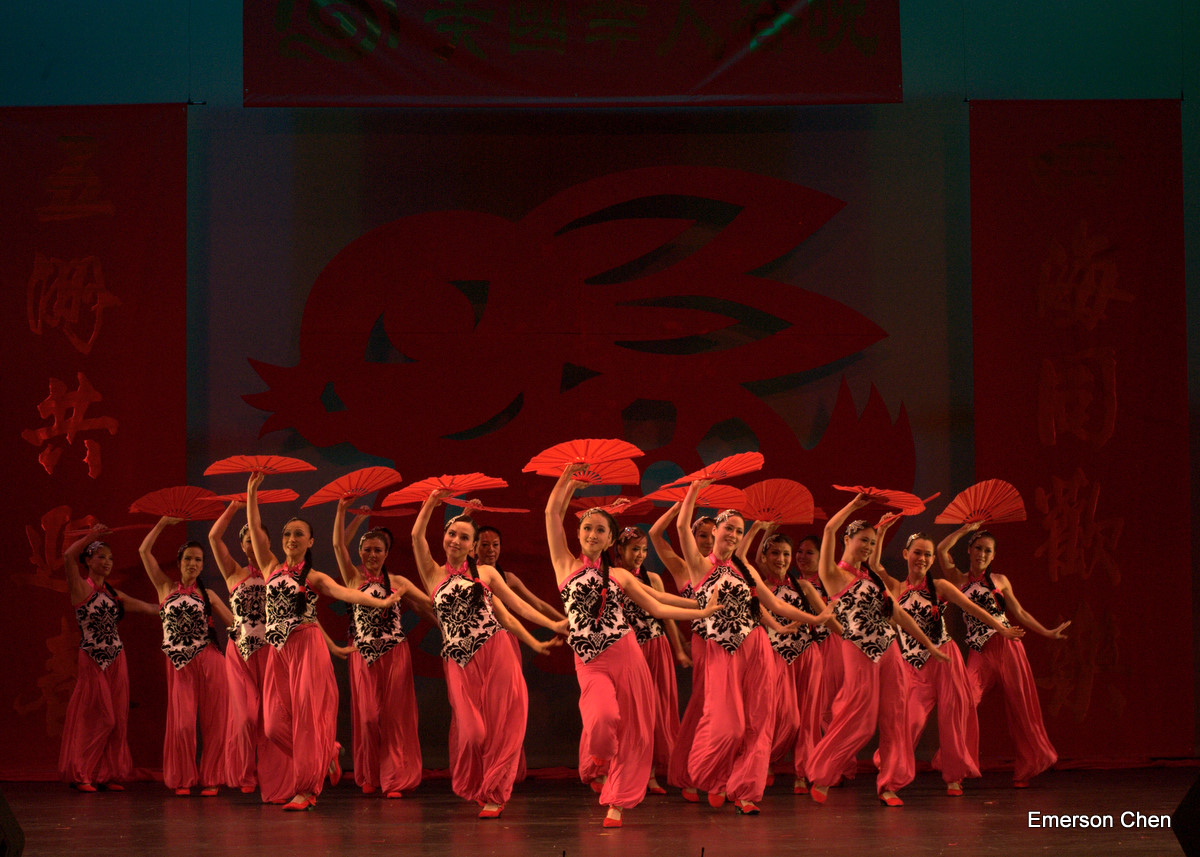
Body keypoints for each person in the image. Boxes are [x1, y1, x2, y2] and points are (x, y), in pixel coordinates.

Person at [547, 465, 721, 827]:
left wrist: (701, 609)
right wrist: (568, 480)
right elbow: (552, 513)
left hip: (626, 654)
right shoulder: (564, 564)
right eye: (587, 528)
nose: (592, 534)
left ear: (610, 540)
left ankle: (617, 802)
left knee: (635, 729)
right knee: (602, 718)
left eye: (600, 530)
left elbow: (658, 605)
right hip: (590, 660)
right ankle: (601, 758)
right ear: (577, 533)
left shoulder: (620, 576)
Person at [246, 471, 403, 811]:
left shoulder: (314, 576)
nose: (291, 538)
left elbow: (346, 593)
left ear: (310, 542)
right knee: (272, 726)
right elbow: (256, 530)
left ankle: (306, 790)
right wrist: (251, 493)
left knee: (305, 720)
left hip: (306, 647)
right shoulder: (270, 566)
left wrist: (380, 602)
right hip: (278, 651)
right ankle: (326, 751)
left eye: (298, 534)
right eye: (287, 534)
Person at [675, 479, 832, 815]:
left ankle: (746, 791)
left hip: (757, 645)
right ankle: (713, 777)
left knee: (760, 723)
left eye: (738, 530)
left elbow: (774, 604)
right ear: (715, 530)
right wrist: (694, 490)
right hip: (721, 649)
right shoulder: (701, 565)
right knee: (727, 725)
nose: (733, 535)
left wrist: (815, 618)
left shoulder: (745, 570)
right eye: (728, 529)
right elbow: (680, 526)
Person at [411, 489, 566, 819]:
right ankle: (476, 781)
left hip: (495, 650)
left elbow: (515, 609)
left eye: (464, 537)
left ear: (472, 546)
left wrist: (548, 628)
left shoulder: (486, 573)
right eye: (452, 534)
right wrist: (431, 503)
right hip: (457, 659)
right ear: (444, 538)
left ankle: (495, 792)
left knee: (501, 725)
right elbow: (415, 536)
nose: (456, 540)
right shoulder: (432, 573)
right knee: (472, 732)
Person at [806, 494, 948, 807]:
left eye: (872, 543)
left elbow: (898, 613)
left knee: (896, 716)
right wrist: (853, 506)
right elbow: (828, 530)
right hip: (858, 649)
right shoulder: (833, 574)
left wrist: (928, 644)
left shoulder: (871, 578)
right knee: (860, 718)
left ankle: (890, 784)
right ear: (848, 539)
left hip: (889, 648)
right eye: (864, 540)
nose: (868, 547)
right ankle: (823, 774)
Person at [868, 524, 1024, 796]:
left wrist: (1001, 629)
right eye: (917, 553)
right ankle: (891, 777)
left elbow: (973, 608)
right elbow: (873, 565)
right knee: (909, 720)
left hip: (946, 659)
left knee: (953, 719)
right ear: (906, 554)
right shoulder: (894, 586)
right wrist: (880, 533)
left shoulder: (940, 586)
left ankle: (955, 776)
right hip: (913, 665)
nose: (923, 558)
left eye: (928, 554)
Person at [937, 523, 1069, 787]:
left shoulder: (1001, 580)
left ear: (994, 555)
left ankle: (1027, 768)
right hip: (980, 651)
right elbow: (941, 549)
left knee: (1023, 708)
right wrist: (965, 529)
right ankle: (956, 770)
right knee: (964, 702)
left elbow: (1019, 613)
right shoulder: (957, 579)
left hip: (1008, 646)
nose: (982, 554)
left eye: (988, 551)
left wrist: (1046, 631)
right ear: (969, 550)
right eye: (978, 548)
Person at [334, 498, 436, 798]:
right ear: (360, 552)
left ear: (386, 553)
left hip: (395, 653)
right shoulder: (352, 578)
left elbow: (428, 603)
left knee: (394, 718)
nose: (372, 554)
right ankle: (369, 774)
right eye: (367, 549)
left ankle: (395, 779)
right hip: (362, 654)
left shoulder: (399, 582)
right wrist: (345, 511)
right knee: (368, 718)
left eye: (378, 550)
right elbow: (338, 545)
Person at [138, 517, 233, 796]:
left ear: (202, 566)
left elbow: (234, 624)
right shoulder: (165, 588)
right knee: (181, 726)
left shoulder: (208, 594)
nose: (193, 563)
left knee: (215, 722)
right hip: (179, 664)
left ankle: (213, 777)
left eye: (198, 560)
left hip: (210, 659)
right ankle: (182, 778)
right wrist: (162, 524)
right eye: (188, 559)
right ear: (179, 563)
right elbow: (144, 551)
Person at [59, 527, 157, 792]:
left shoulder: (114, 594)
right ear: (88, 560)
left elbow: (149, 608)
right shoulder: (81, 588)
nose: (107, 562)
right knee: (102, 718)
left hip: (117, 658)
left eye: (110, 558)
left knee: (118, 720)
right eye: (101, 556)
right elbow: (68, 556)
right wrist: (91, 537)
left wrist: (174, 605)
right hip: (92, 657)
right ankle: (81, 773)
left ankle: (108, 773)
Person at [740, 525, 832, 795]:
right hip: (774, 656)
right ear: (764, 557)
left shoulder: (803, 586)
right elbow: (742, 560)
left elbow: (828, 617)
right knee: (787, 719)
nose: (781, 559)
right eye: (775, 553)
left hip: (807, 655)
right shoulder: (759, 589)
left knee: (809, 721)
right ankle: (761, 762)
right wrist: (760, 528)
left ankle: (803, 773)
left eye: (786, 554)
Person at [209, 500, 288, 797]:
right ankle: (244, 772)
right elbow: (214, 537)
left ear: (266, 543)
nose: (252, 545)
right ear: (242, 546)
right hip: (240, 652)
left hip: (271, 651)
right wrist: (233, 507)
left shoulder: (275, 570)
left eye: (257, 540)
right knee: (244, 718)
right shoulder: (233, 572)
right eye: (248, 541)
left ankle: (273, 778)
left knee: (269, 718)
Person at [609, 525, 683, 795]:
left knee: (655, 713)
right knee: (626, 713)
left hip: (656, 647)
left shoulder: (653, 579)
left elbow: (666, 616)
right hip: (627, 651)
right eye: (634, 549)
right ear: (619, 550)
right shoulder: (611, 578)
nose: (640, 554)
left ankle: (649, 774)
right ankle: (618, 772)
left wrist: (679, 649)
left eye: (643, 550)